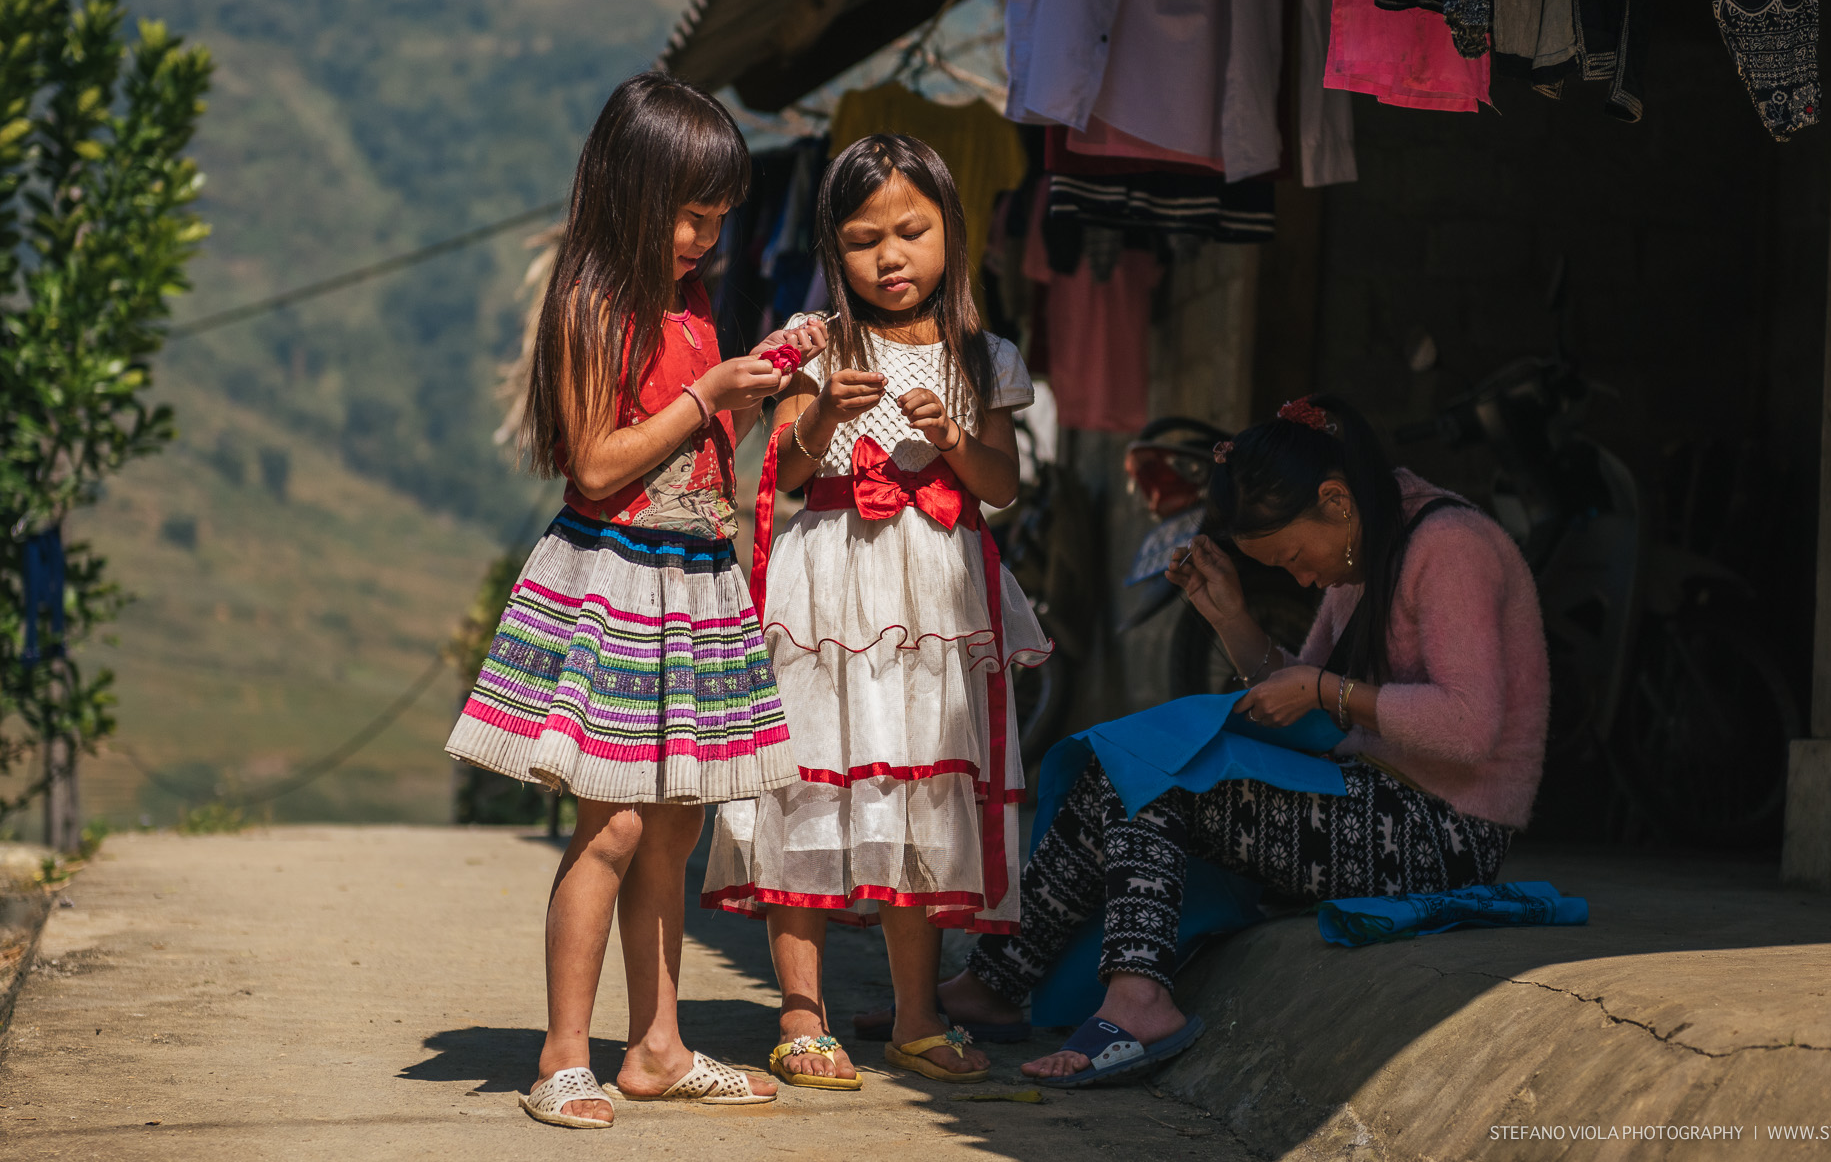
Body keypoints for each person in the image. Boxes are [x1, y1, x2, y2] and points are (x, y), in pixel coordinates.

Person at [922, 394, 1550, 1085]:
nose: (1301, 577)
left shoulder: (1449, 545)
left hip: (1447, 832)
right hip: (1373, 793)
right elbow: (1304, 692)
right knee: (1122, 767)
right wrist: (1233, 620)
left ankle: (1137, 999)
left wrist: (1321, 689)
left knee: (1159, 775)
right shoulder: (1367, 541)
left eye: (1291, 555)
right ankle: (996, 982)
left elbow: (1468, 724)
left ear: (1336, 501)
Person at [445, 73, 828, 1127]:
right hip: (612, 582)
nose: (706, 236)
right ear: (627, 191)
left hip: (691, 581)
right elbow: (600, 460)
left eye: (717, 217)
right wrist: (708, 394)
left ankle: (657, 1047)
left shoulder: (691, 308)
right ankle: (561, 1054)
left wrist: (767, 387)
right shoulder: (591, 303)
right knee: (610, 825)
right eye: (691, 214)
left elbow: (698, 465)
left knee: (674, 824)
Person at [700, 134, 1050, 1089]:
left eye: (911, 231)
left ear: (951, 233)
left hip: (931, 602)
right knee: (811, 788)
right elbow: (785, 469)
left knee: (918, 795)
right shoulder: (816, 343)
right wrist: (816, 415)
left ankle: (916, 1015)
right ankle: (800, 1015)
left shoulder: (985, 356)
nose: (890, 257)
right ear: (832, 248)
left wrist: (950, 438)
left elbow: (1003, 484)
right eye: (863, 240)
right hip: (827, 603)